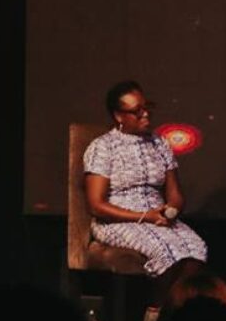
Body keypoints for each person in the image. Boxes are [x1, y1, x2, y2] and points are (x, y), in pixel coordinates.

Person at [84, 80, 208, 282]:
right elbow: (96, 205)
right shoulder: (103, 147)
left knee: (196, 248)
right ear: (118, 116)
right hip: (118, 221)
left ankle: (180, 301)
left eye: (147, 107)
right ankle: (160, 302)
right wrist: (144, 216)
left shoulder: (160, 143)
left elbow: (175, 195)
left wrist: (170, 211)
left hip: (157, 218)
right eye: (137, 111)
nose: (145, 114)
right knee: (164, 251)